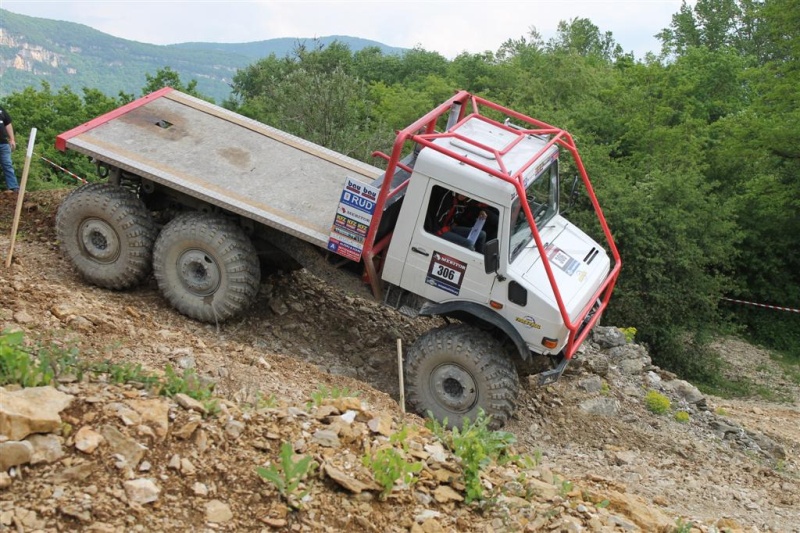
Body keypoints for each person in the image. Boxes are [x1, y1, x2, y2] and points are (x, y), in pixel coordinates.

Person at [0, 105, 19, 194]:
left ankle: (13, 187)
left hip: (3, 143)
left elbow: (8, 124)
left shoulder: (1, 109)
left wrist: (12, 139)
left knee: (7, 165)